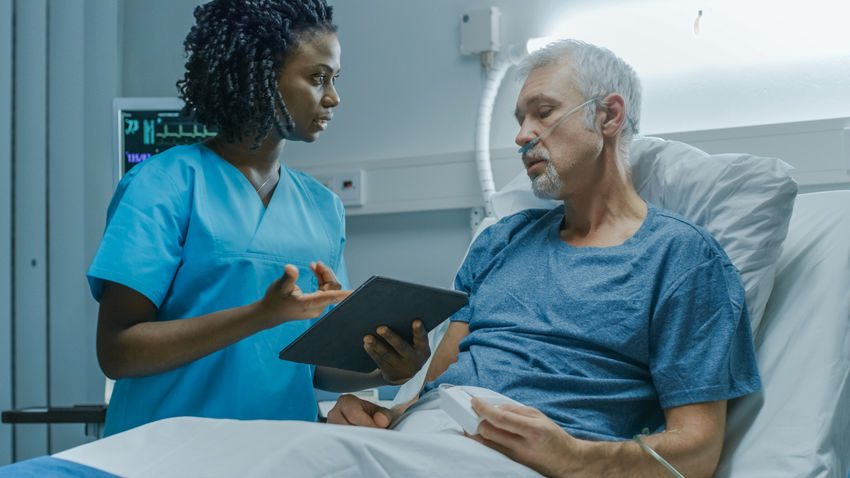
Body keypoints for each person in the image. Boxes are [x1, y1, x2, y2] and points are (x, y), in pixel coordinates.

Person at [327, 39, 760, 478]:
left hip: (527, 459)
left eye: (544, 111)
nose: (522, 135)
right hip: (429, 439)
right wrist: (384, 417)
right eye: (520, 119)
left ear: (609, 115)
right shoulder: (501, 241)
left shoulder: (681, 257)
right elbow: (439, 387)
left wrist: (574, 456)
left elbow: (698, 451)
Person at [88, 0, 429, 437]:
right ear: (261, 77)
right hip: (167, 450)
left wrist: (389, 368)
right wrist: (261, 315)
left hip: (281, 452)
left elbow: (314, 365)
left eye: (334, 79)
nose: (333, 97)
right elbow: (117, 351)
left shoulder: (323, 208)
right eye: (317, 77)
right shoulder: (162, 185)